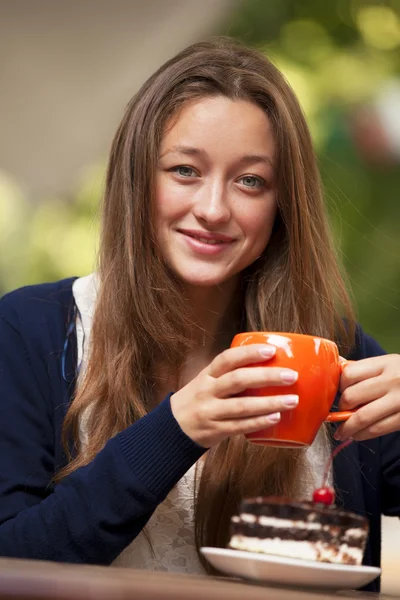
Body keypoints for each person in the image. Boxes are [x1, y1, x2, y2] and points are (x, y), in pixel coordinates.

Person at [0, 37, 399, 591]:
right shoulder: (30, 330)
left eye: (250, 181)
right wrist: (177, 429)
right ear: (139, 178)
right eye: (185, 170)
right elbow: (13, 559)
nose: (213, 210)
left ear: (282, 205)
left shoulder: (338, 356)